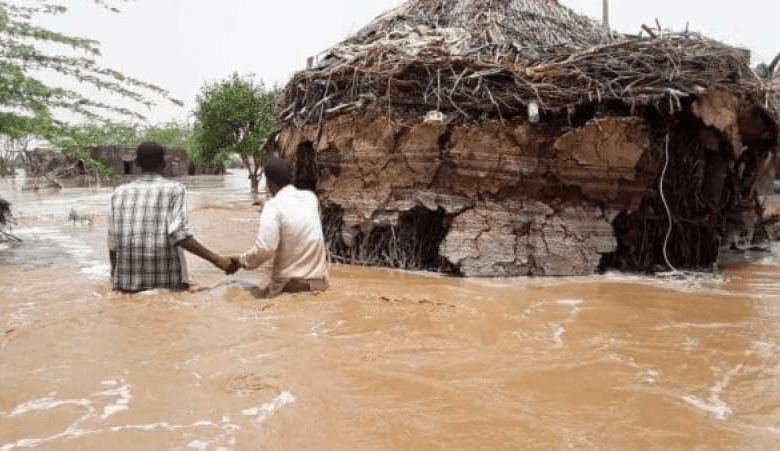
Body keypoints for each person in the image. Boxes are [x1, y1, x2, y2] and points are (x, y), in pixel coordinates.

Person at [108, 141, 238, 293]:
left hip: (125, 286)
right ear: (163, 164)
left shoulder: (119, 193)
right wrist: (217, 260)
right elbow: (178, 233)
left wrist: (114, 277)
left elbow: (112, 242)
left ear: (136, 163)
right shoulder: (175, 189)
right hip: (165, 284)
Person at [232, 158, 328, 297]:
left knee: (234, 292)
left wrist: (242, 261)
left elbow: (266, 248)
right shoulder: (310, 198)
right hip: (321, 284)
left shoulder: (273, 206)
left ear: (270, 183)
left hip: (291, 288)